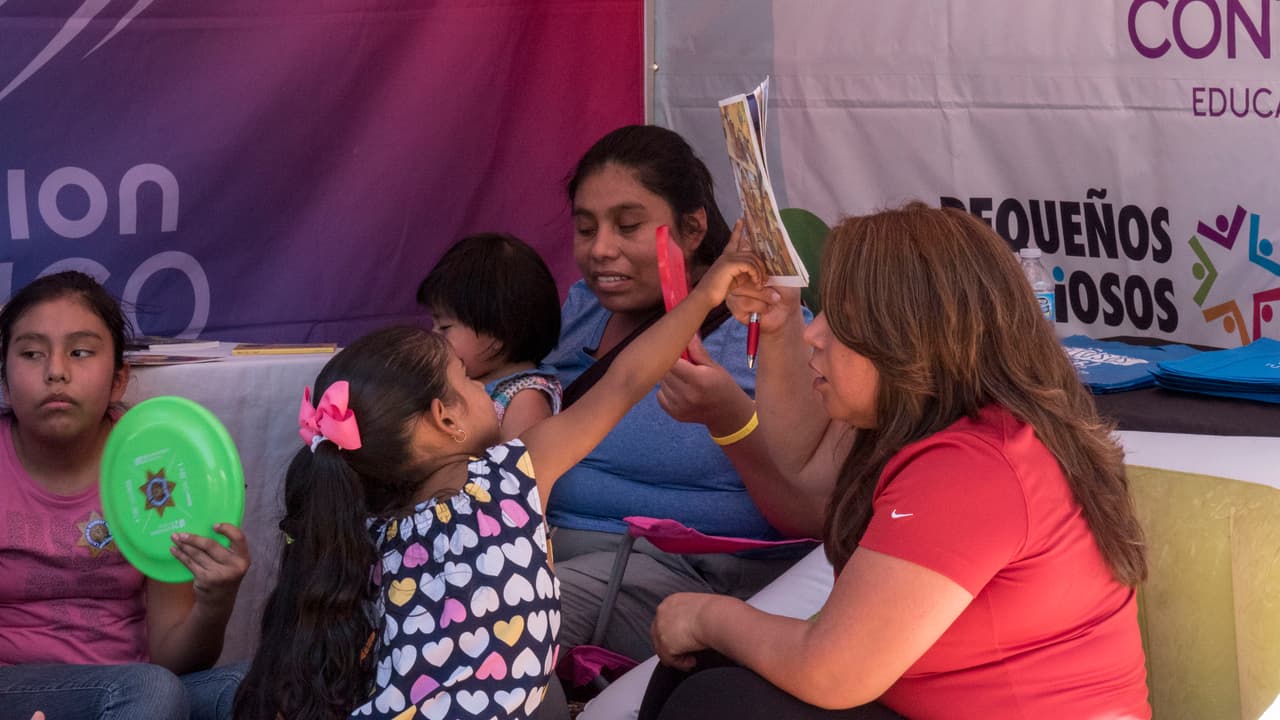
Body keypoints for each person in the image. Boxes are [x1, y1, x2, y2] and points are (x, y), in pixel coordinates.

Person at [642, 202, 1151, 719]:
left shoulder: (974, 466)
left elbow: (832, 671)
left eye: (841, 321)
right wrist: (778, 326)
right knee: (704, 669)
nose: (814, 335)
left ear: (906, 338)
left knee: (718, 699)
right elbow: (801, 466)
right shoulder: (938, 422)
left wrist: (708, 615)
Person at [231, 240, 763, 720]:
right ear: (446, 418)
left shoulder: (369, 533)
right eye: (468, 380)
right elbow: (625, 380)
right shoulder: (509, 479)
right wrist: (705, 295)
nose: (485, 386)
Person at [544, 124, 812, 665]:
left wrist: (732, 421)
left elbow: (806, 499)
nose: (601, 250)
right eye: (585, 228)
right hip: (539, 549)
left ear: (693, 228)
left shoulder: (766, 331)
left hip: (679, 576)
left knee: (504, 616)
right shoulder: (580, 309)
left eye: (628, 226)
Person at [0, 271, 253, 720]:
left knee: (260, 686)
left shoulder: (156, 461)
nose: (56, 371)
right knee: (148, 690)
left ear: (119, 380)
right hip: (16, 692)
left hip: (138, 698)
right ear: (4, 379)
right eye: (32, 353)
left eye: (80, 352)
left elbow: (174, 661)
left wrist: (216, 601)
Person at [417, 232, 563, 440]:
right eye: (434, 324)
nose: (434, 336)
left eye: (445, 326)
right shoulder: (463, 378)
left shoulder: (525, 399)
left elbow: (524, 461)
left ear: (498, 334)